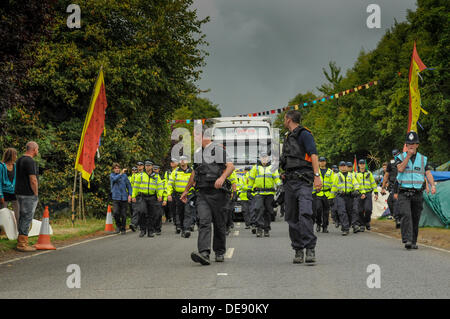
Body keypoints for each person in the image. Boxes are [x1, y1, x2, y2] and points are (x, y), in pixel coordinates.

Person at [181, 125, 234, 265]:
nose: (195, 138)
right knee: (204, 221)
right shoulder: (198, 153)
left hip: (218, 194)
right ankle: (204, 252)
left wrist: (222, 178)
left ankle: (219, 251)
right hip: (202, 193)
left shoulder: (217, 150)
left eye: (196, 135)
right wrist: (186, 190)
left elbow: (230, 166)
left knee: (219, 223)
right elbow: (194, 173)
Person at [280, 110, 321, 264]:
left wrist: (317, 177)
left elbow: (314, 155)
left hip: (304, 180)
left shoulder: (305, 134)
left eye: (285, 118)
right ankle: (298, 249)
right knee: (291, 217)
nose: (284, 120)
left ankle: (310, 248)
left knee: (305, 213)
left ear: (289, 119)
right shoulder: (287, 137)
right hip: (289, 181)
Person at [395, 131, 436, 250]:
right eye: (409, 143)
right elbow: (401, 169)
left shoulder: (423, 159)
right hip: (404, 192)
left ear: (417, 145)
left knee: (415, 217)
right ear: (406, 145)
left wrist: (432, 185)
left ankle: (413, 241)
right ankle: (407, 239)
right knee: (406, 215)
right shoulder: (400, 157)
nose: (411, 145)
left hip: (417, 193)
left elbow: (428, 173)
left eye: (413, 143)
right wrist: (408, 156)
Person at [247, 152, 281, 238]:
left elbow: (276, 178)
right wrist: (249, 189)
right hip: (259, 192)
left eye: (265, 157)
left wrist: (279, 185)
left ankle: (266, 229)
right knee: (258, 209)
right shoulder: (256, 168)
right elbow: (251, 179)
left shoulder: (272, 168)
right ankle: (259, 228)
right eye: (262, 157)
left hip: (269, 193)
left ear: (268, 158)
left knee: (268, 211)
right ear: (260, 158)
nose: (264, 159)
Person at [14, 142, 39, 252]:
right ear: (34, 149)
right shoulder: (30, 161)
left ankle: (21, 240)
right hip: (28, 194)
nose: (37, 151)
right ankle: (22, 244)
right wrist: (36, 193)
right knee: (27, 217)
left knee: (22, 217)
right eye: (37, 149)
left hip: (19, 192)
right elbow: (33, 179)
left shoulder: (19, 159)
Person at [167, 155, 195, 238]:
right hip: (178, 196)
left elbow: (195, 182)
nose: (183, 161)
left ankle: (186, 229)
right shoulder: (175, 172)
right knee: (180, 213)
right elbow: (170, 184)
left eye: (184, 160)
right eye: (181, 160)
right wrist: (168, 194)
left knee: (188, 211)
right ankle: (183, 229)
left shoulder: (192, 171)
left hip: (189, 195)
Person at [330, 161, 357, 236]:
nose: (343, 167)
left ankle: (347, 225)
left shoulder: (351, 175)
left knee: (349, 212)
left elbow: (355, 184)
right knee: (342, 211)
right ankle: (345, 228)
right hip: (340, 196)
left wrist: (356, 190)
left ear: (346, 167)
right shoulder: (336, 176)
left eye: (344, 166)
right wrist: (331, 198)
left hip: (349, 196)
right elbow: (334, 187)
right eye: (341, 166)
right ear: (339, 168)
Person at [354, 159, 378, 231]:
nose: (362, 165)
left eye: (363, 164)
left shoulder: (369, 173)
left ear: (365, 165)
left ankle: (367, 221)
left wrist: (376, 192)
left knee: (368, 209)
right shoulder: (355, 174)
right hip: (359, 194)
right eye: (360, 164)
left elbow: (373, 183)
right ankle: (362, 224)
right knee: (360, 210)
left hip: (368, 193)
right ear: (358, 165)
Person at [131, 160, 153, 237]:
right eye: (146, 165)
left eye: (148, 165)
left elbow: (159, 186)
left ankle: (150, 231)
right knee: (142, 212)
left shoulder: (154, 175)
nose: (147, 167)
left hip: (152, 196)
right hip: (142, 196)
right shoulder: (140, 176)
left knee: (150, 214)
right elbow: (135, 187)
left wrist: (161, 196)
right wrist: (133, 196)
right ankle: (142, 230)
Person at [110, 163, 132, 234]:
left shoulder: (124, 176)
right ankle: (118, 226)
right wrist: (120, 174)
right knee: (116, 213)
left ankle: (123, 228)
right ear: (113, 169)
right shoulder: (112, 176)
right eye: (115, 168)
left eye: (118, 168)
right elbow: (115, 179)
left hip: (124, 198)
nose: (117, 169)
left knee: (124, 215)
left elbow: (129, 185)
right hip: (116, 197)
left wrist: (130, 195)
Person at [312, 156, 333, 233]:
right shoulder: (315, 171)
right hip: (318, 194)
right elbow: (313, 181)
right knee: (318, 209)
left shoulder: (330, 172)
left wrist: (332, 195)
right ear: (318, 162)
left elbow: (333, 183)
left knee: (326, 212)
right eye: (320, 161)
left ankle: (325, 227)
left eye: (323, 161)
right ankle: (318, 223)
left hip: (327, 194)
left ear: (325, 162)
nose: (322, 162)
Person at [382, 149, 401, 228]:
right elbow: (386, 175)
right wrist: (383, 187)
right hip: (393, 185)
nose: (396, 156)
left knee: (395, 201)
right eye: (394, 155)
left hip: (402, 184)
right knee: (390, 201)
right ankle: (395, 216)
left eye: (397, 154)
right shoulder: (391, 164)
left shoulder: (404, 161)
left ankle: (398, 219)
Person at [0, 148, 19, 226]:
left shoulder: (16, 166)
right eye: (15, 155)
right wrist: (1, 195)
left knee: (18, 213)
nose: (16, 156)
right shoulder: (1, 166)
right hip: (4, 193)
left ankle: (20, 232)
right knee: (2, 214)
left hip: (15, 193)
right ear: (11, 156)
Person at [152, 164, 166, 235]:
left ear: (159, 170)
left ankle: (158, 229)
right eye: (154, 169)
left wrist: (164, 199)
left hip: (160, 197)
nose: (155, 170)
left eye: (156, 169)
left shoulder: (162, 177)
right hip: (152, 197)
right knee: (152, 213)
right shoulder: (150, 176)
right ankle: (153, 228)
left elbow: (165, 188)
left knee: (158, 214)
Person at [128, 166, 139, 231]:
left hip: (137, 196)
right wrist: (129, 195)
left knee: (136, 210)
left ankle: (134, 223)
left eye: (135, 170)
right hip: (131, 195)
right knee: (132, 210)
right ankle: (134, 223)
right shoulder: (129, 178)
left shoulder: (138, 176)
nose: (134, 171)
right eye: (133, 170)